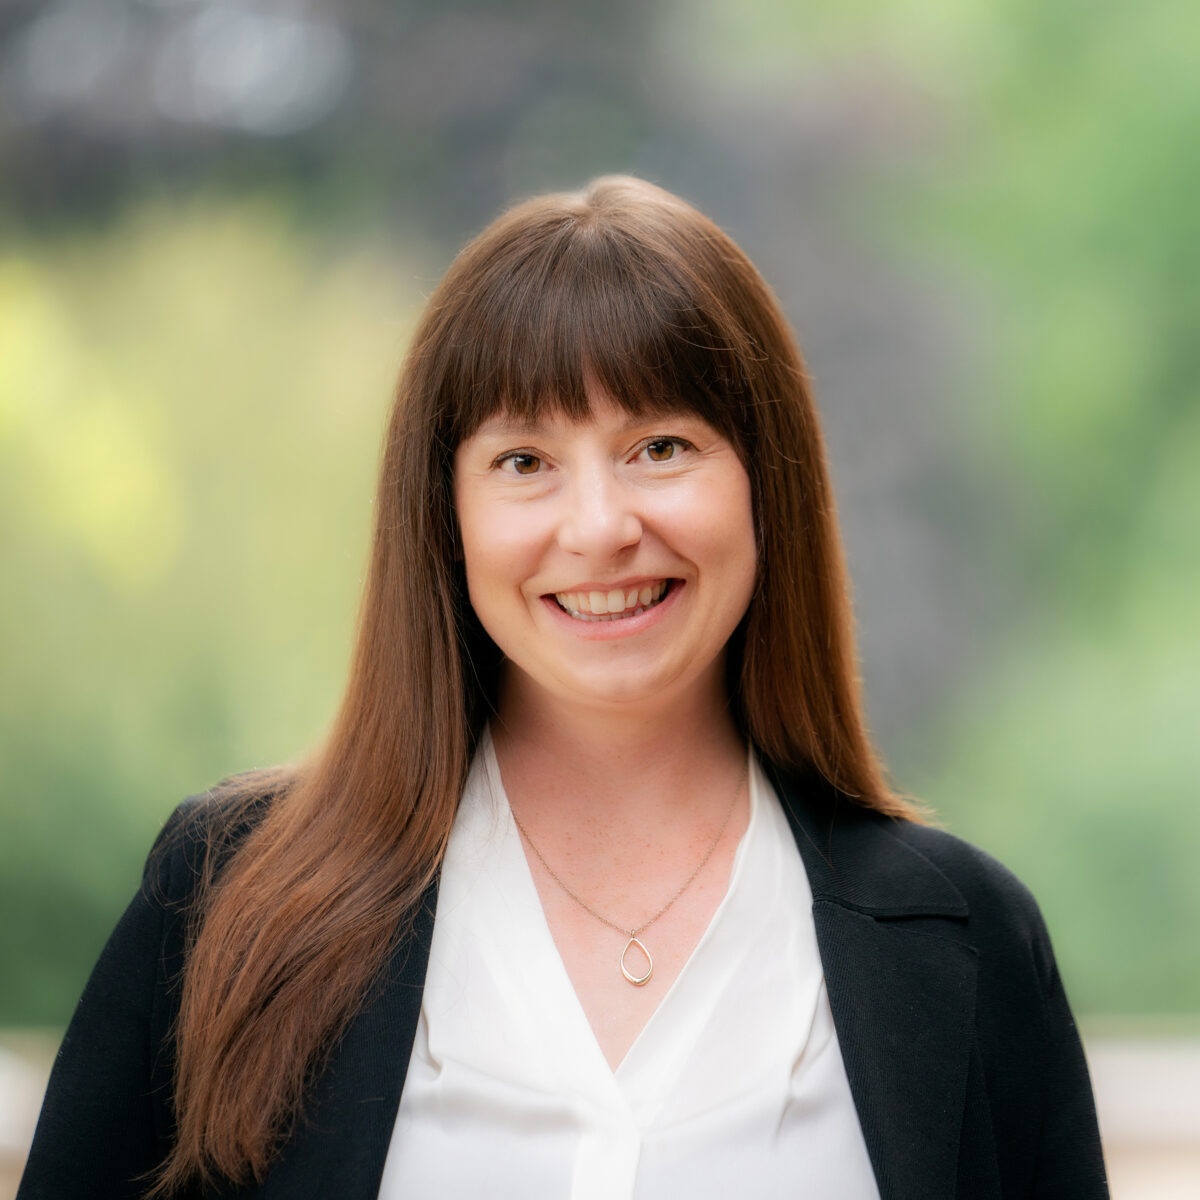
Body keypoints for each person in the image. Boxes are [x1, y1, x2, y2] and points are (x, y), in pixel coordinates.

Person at [18, 176, 1108, 1199]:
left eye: (662, 446)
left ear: (767, 483)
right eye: (524, 462)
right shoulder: (227, 902)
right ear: (443, 516)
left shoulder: (963, 944)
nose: (599, 528)